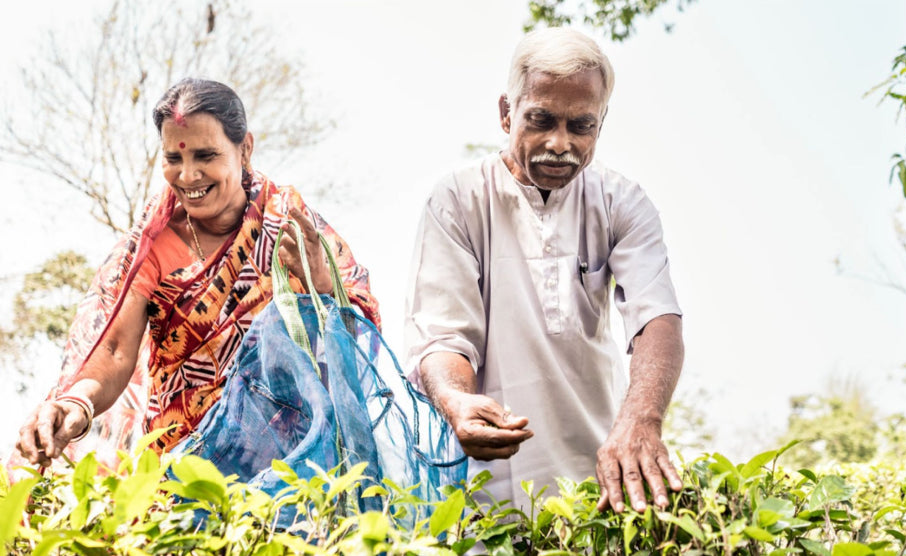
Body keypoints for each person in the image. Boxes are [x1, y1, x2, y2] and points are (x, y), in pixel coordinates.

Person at [15, 78, 379, 468]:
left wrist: (320, 284)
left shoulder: (286, 224)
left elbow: (358, 331)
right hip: (181, 465)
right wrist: (77, 403)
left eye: (205, 156)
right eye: (173, 158)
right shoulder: (151, 243)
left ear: (245, 149)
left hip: (287, 466)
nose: (188, 176)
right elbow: (115, 350)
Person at [405, 27, 684, 513]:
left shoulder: (621, 202)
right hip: (482, 491)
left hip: (599, 485)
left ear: (601, 124)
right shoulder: (458, 200)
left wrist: (642, 420)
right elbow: (444, 336)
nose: (560, 143)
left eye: (581, 126)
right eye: (541, 120)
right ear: (506, 112)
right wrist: (456, 401)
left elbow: (656, 318)